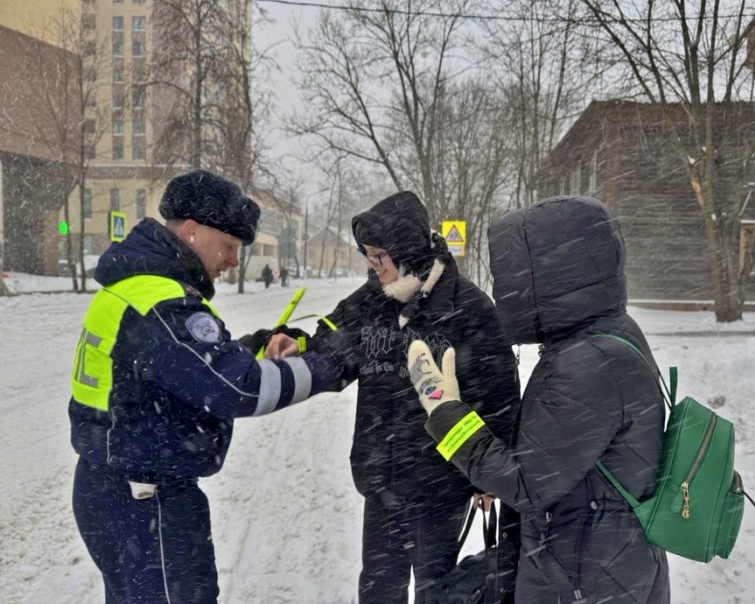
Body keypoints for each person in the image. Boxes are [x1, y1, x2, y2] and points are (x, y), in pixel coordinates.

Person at [69, 170, 330, 604]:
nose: (232, 260)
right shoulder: (163, 303)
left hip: (117, 488)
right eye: (228, 247)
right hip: (144, 497)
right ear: (191, 232)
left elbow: (176, 368)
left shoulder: (139, 286)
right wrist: (328, 364)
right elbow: (239, 389)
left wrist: (249, 347)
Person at [406, 196, 670, 603]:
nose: (501, 291)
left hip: (587, 581)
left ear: (548, 276)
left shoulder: (589, 362)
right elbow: (556, 453)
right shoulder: (598, 336)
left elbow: (528, 483)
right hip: (600, 565)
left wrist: (446, 414)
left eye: (509, 276)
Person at [266, 191, 521, 604]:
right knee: (378, 590)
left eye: (379, 255)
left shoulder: (467, 308)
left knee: (436, 592)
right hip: (381, 479)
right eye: (367, 254)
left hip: (441, 484)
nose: (371, 264)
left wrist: (488, 474)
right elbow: (331, 345)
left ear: (406, 252)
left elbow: (499, 393)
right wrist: (299, 345)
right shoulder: (370, 302)